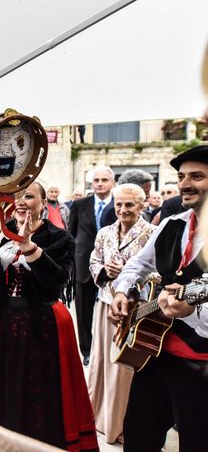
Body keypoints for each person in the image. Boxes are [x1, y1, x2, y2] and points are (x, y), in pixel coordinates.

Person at [0, 182, 98, 452]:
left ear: (43, 202)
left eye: (28, 195)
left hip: (42, 325)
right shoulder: (0, 231)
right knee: (0, 386)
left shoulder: (58, 237)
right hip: (0, 321)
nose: (21, 201)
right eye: (15, 196)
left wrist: (27, 246)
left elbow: (55, 281)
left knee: (40, 390)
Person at [109, 145, 208, 452]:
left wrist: (191, 308)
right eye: (181, 176)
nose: (184, 184)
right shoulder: (171, 224)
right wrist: (124, 290)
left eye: (197, 176)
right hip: (155, 353)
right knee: (138, 436)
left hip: (200, 365)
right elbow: (138, 264)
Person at [87, 183, 156, 444]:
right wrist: (105, 270)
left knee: (124, 367)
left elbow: (161, 272)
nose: (123, 209)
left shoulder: (152, 233)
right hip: (105, 303)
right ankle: (97, 418)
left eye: (129, 204)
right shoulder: (105, 232)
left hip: (136, 311)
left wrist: (128, 270)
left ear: (142, 205)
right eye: (119, 204)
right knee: (101, 363)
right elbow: (93, 260)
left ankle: (120, 424)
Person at [68, 166, 117, 365]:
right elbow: (71, 234)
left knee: (113, 308)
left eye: (104, 180)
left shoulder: (119, 203)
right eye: (96, 180)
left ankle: (112, 348)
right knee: (83, 311)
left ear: (112, 183)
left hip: (112, 265)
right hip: (84, 264)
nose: (99, 183)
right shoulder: (80, 205)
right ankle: (87, 351)